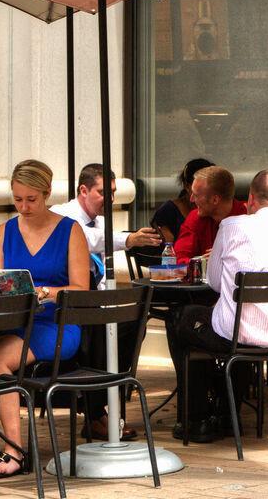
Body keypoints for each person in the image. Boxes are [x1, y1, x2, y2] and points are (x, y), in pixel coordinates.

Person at [0, 159, 90, 479]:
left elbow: (81, 289)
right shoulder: (4, 232)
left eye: (31, 199)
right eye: (17, 199)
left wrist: (45, 292)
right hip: (10, 321)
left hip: (54, 325)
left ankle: (14, 451)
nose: (23, 206)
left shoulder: (70, 231)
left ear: (47, 193)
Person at [165, 169, 268, 443]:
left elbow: (216, 283)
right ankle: (226, 412)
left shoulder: (233, 227)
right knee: (237, 321)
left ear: (251, 199)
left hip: (237, 335)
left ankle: (195, 419)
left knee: (179, 320)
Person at [53, 163, 162, 440]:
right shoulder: (63, 216)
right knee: (104, 332)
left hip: (95, 303)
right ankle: (96, 412)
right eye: (103, 192)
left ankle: (107, 399)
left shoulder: (99, 221)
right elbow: (88, 240)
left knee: (132, 325)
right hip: (66, 306)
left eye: (113, 192)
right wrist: (129, 240)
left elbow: (99, 235)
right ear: (83, 190)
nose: (111, 199)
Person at [171, 165, 246, 264]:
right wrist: (203, 262)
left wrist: (227, 256)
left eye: (196, 195)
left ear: (215, 200)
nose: (191, 199)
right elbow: (178, 259)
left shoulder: (249, 217)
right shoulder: (195, 218)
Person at [150, 157, 213, 243]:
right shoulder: (168, 210)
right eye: (201, 188)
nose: (207, 192)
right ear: (187, 186)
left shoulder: (215, 206)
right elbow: (168, 249)